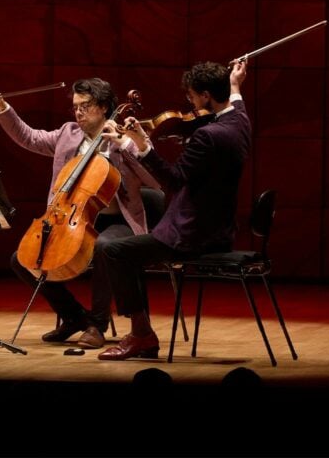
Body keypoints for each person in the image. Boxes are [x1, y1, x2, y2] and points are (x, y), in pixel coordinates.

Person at [0, 79, 161, 348]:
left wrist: (126, 144)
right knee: (23, 260)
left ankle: (98, 325)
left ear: (102, 107)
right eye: (76, 107)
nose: (78, 112)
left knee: (104, 247)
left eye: (85, 106)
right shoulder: (68, 133)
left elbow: (155, 179)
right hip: (72, 219)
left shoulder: (123, 140)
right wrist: (3, 106)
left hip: (117, 221)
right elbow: (29, 137)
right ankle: (75, 317)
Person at [97, 60, 250, 360]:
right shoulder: (240, 121)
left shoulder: (207, 136)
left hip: (193, 235)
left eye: (192, 96)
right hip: (220, 230)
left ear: (206, 95)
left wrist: (143, 146)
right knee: (129, 251)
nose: (190, 103)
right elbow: (237, 102)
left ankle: (141, 335)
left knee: (113, 251)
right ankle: (141, 333)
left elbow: (174, 181)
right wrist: (235, 84)